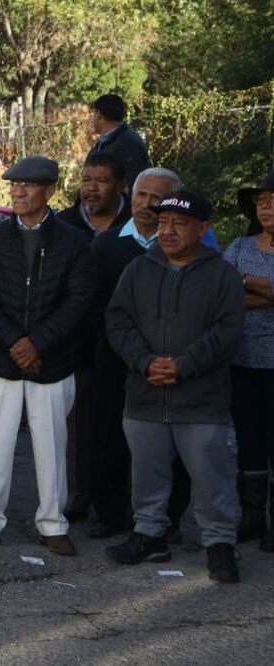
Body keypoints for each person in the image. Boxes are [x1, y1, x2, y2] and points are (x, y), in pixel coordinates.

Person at [105, 189, 244, 583]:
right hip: (145, 394)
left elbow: (227, 331)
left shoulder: (222, 275)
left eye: (179, 224)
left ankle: (219, 544)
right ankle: (150, 536)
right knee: (146, 474)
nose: (168, 231)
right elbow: (117, 321)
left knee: (211, 476)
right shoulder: (138, 270)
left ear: (202, 228)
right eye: (163, 222)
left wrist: (183, 366)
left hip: (201, 400)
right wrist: (145, 361)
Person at [0, 155, 96, 557]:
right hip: (2, 359)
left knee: (52, 444)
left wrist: (37, 343)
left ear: (51, 190)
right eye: (14, 184)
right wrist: (15, 343)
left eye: (29, 184)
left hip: (51, 362)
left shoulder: (75, 241)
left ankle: (53, 523)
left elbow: (79, 301)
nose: (18, 191)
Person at [88, 167, 195, 540]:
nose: (146, 205)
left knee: (172, 443)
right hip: (118, 362)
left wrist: (163, 360)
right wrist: (135, 353)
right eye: (140, 196)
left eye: (156, 198)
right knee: (110, 438)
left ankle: (171, 517)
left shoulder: (191, 249)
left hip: (170, 366)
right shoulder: (107, 244)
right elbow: (99, 308)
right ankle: (112, 513)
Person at [56, 153, 131, 523]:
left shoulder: (141, 224)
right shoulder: (64, 225)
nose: (92, 188)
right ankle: (80, 495)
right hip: (79, 345)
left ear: (120, 185)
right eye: (87, 179)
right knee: (81, 425)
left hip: (131, 347)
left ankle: (128, 500)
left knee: (127, 423)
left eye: (101, 180)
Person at [225, 173, 274, 551]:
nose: (266, 205)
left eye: (273, 199)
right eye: (261, 200)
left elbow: (240, 290)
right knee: (248, 441)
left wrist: (248, 283)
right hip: (243, 363)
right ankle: (252, 515)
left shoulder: (240, 258)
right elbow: (225, 297)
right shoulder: (240, 246)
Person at [87, 94, 150, 191]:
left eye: (93, 113)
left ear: (98, 114)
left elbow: (134, 185)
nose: (91, 119)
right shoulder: (104, 142)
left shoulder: (129, 144)